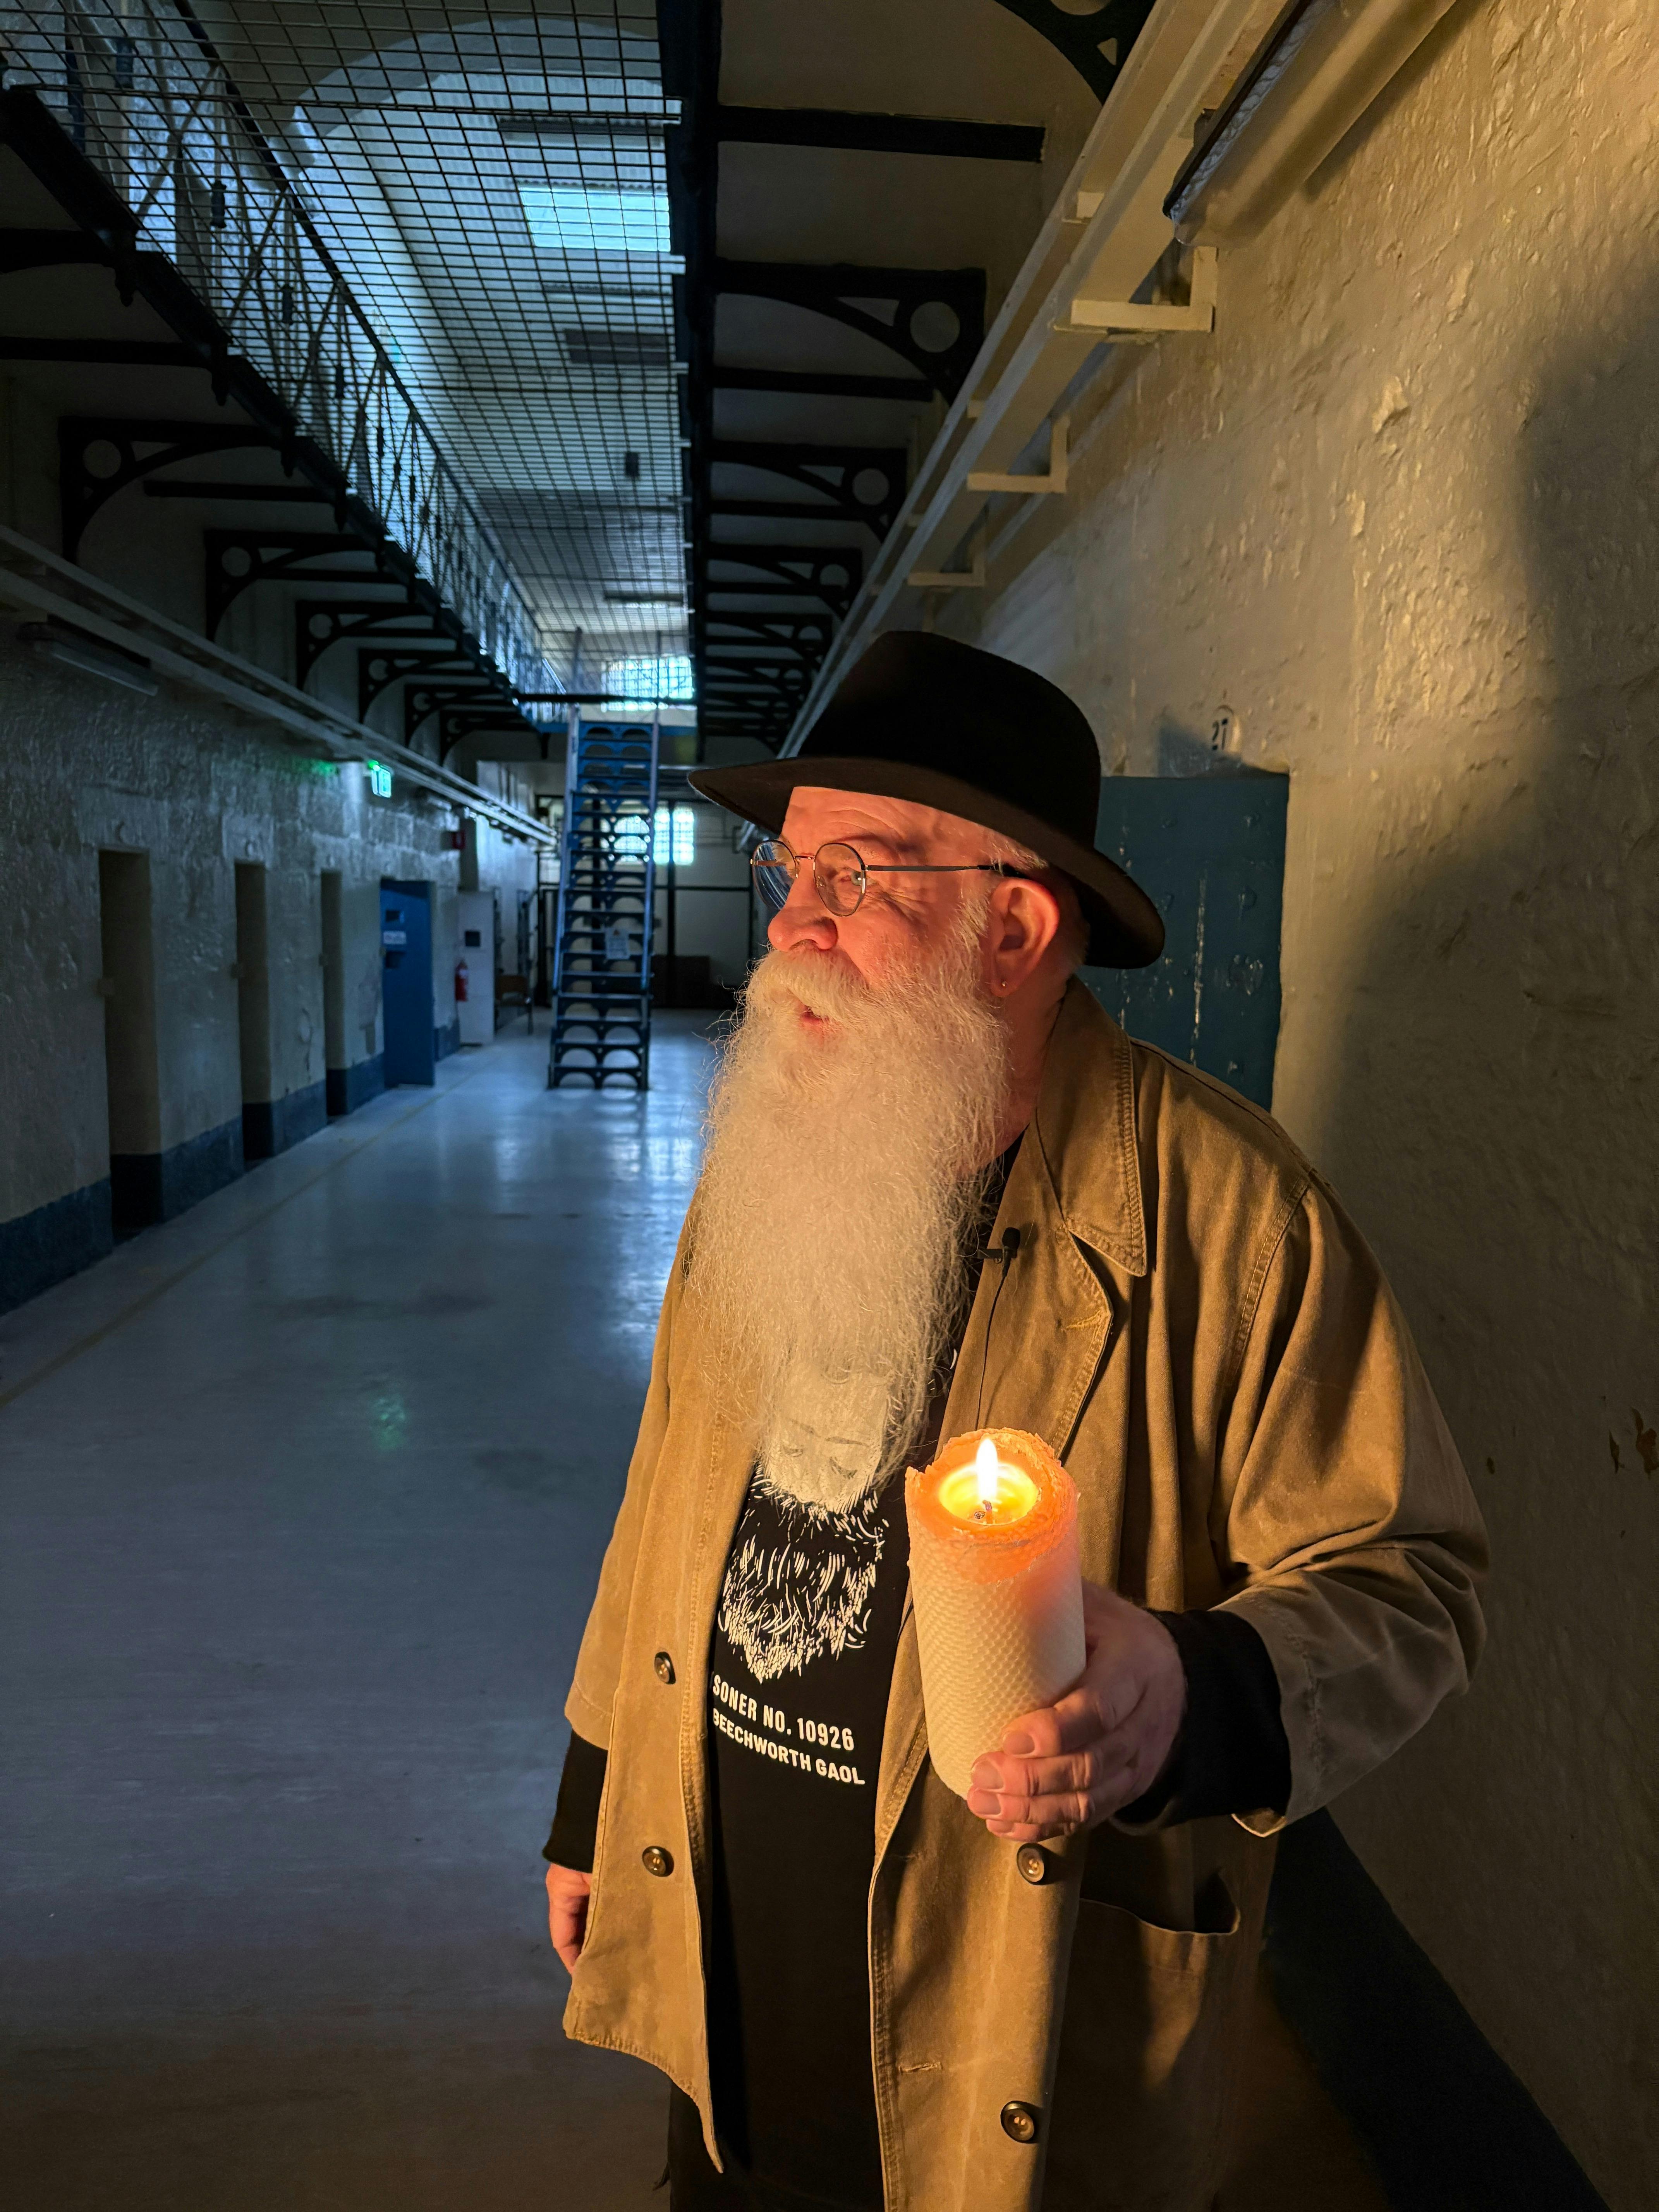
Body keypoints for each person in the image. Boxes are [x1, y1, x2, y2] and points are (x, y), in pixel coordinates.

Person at [543, 632, 1487, 2212]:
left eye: (855, 872)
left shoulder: (1233, 1220)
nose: (790, 928)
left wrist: (1191, 1692)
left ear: (1016, 923)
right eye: (791, 874)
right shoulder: (767, 1148)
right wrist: (592, 1799)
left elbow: (1412, 1581)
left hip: (1010, 1990)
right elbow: (667, 1501)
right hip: (734, 1949)